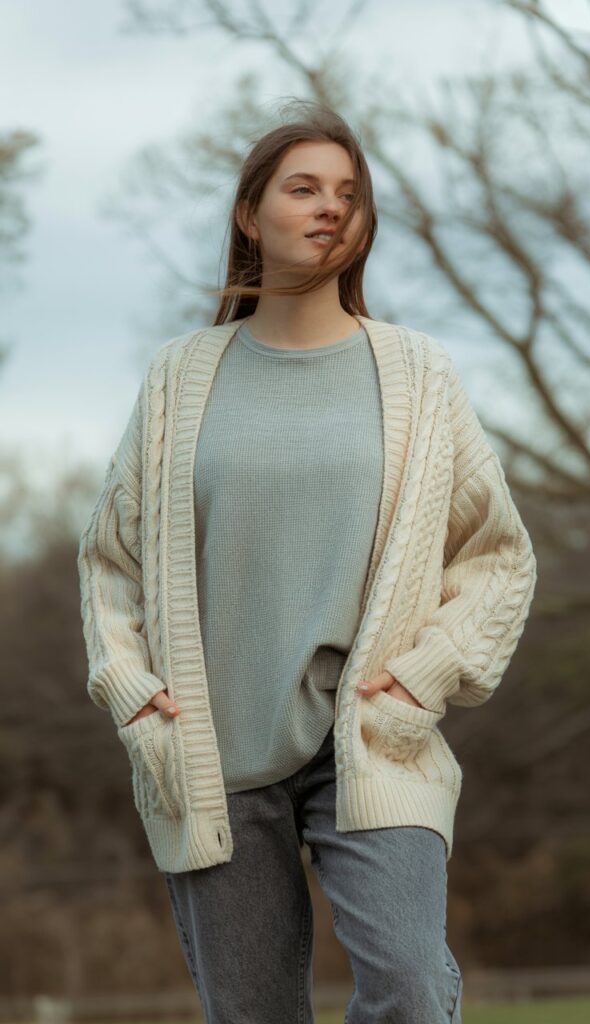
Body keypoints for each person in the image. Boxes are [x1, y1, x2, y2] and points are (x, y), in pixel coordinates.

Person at [77, 100, 537, 1023]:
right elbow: (110, 563)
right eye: (304, 188)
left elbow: (498, 555)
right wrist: (130, 689)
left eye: (349, 193)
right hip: (211, 752)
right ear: (250, 215)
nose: (331, 206)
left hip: (372, 739)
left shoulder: (417, 374)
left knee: (411, 984)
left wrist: (427, 675)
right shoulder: (179, 377)